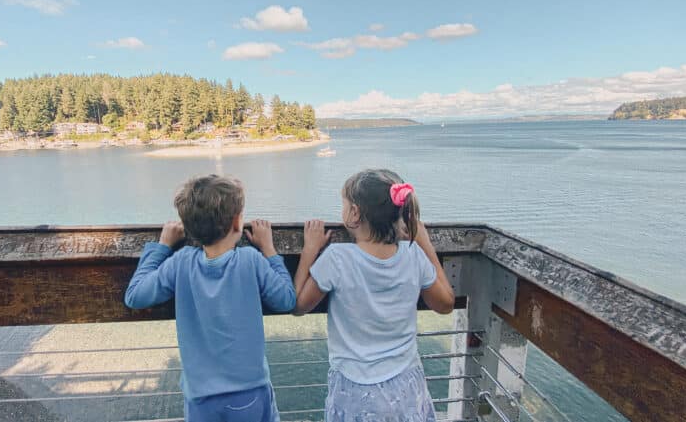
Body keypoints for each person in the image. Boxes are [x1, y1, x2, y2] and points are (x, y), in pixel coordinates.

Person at [124, 174, 295, 422]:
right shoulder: (251, 261)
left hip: (201, 398)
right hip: (248, 390)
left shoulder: (180, 263)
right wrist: (268, 249)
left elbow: (134, 296)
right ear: (237, 223)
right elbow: (287, 299)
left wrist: (162, 246)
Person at [293, 169, 455, 422]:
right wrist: (424, 243)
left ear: (355, 213)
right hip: (406, 384)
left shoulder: (337, 258)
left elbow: (299, 305)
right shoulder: (413, 256)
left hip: (355, 389)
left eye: (344, 205)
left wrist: (309, 250)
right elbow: (445, 304)